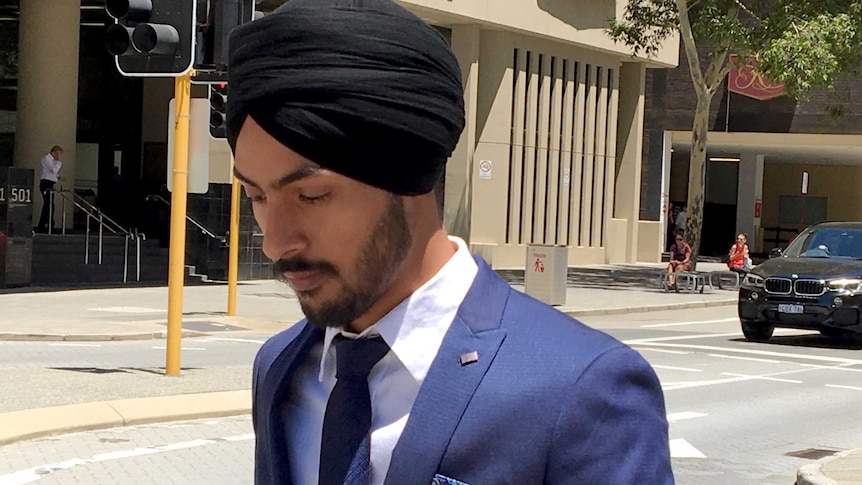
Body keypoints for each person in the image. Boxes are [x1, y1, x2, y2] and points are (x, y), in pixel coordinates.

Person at [227, 1, 673, 484]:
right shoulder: (281, 367)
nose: (275, 242)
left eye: (311, 196)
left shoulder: (581, 387)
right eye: (255, 195)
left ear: (408, 179)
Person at [36, 145, 63, 232]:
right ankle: (46, 223)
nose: (59, 157)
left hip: (49, 183)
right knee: (48, 204)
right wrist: (59, 162)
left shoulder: (51, 161)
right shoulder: (47, 159)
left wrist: (58, 177)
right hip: (46, 183)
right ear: (54, 153)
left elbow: (52, 173)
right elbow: (54, 170)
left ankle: (46, 223)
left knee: (49, 204)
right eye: (58, 154)